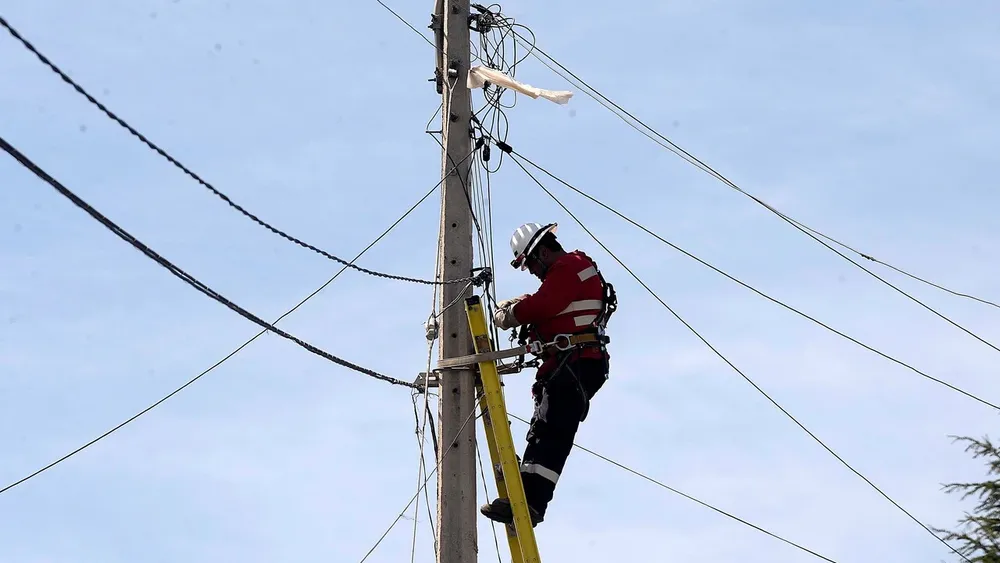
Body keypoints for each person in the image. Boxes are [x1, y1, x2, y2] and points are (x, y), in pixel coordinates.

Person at [481, 222, 616, 527]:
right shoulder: (571, 271)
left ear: (542, 251)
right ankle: (524, 497)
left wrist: (513, 314)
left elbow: (546, 304)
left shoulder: (570, 266)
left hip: (576, 363)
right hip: (570, 364)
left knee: (552, 433)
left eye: (529, 264)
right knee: (545, 430)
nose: (531, 271)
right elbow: (552, 304)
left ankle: (530, 503)